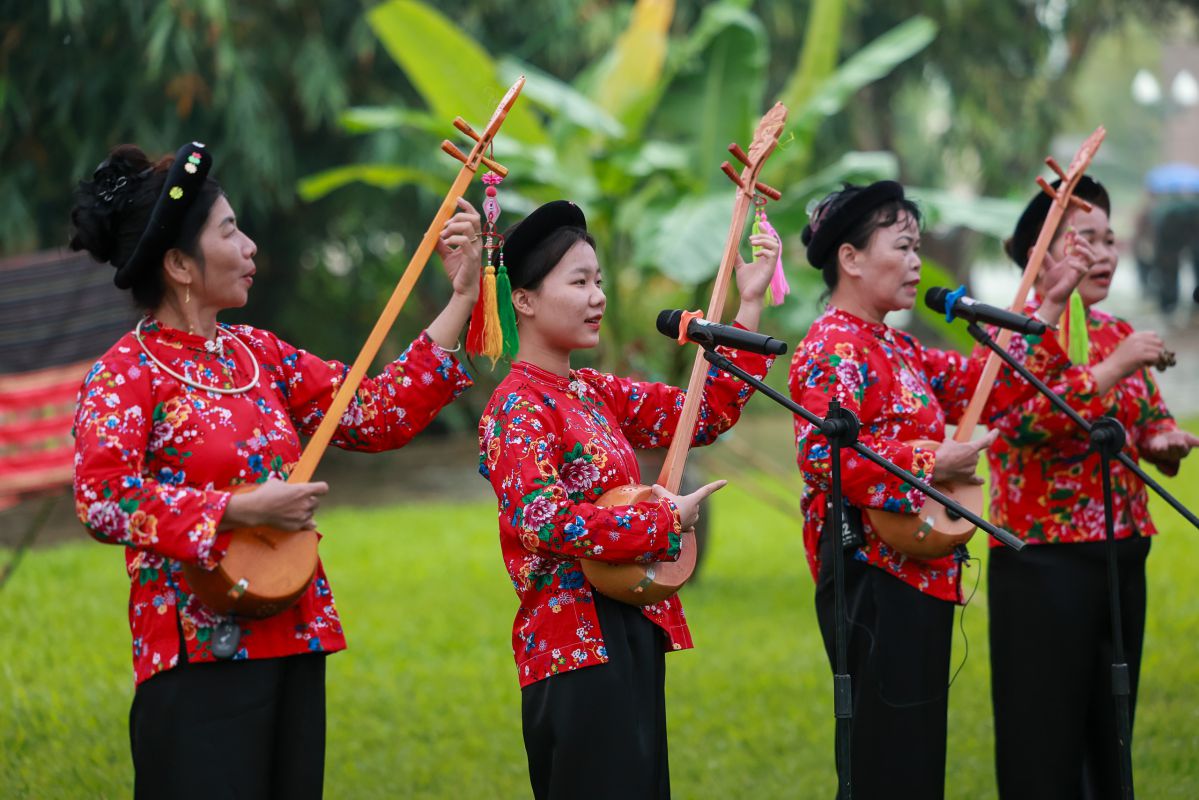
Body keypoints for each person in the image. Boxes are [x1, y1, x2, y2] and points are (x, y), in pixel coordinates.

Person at [69, 141, 481, 799]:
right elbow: (101, 500)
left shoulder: (259, 355)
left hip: (294, 633)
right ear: (178, 264)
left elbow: (373, 414)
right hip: (196, 652)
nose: (252, 246)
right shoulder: (126, 374)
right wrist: (236, 510)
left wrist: (462, 294)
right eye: (230, 231)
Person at [787, 181, 1089, 799]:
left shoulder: (900, 347)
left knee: (917, 755)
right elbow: (824, 457)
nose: (918, 261)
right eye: (902, 245)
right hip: (868, 574)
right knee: (886, 760)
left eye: (919, 246)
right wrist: (930, 458)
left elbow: (993, 389)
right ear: (850, 258)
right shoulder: (831, 347)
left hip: (921, 571)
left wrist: (1049, 309)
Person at [476, 200, 778, 799]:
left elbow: (703, 411)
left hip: (631, 623)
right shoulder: (516, 407)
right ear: (524, 300)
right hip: (571, 650)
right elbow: (544, 520)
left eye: (600, 282)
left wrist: (749, 305)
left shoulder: (592, 391)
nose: (599, 298)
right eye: (580, 282)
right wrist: (662, 519)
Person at [987, 175, 1199, 799]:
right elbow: (1017, 425)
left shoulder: (1113, 331)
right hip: (1043, 564)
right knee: (1043, 739)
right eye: (1086, 240)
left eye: (1110, 239)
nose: (1104, 253)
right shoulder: (1013, 331)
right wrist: (1114, 368)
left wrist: (1162, 441)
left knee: (1111, 732)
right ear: (1041, 256)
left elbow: (1146, 416)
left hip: (1119, 555)